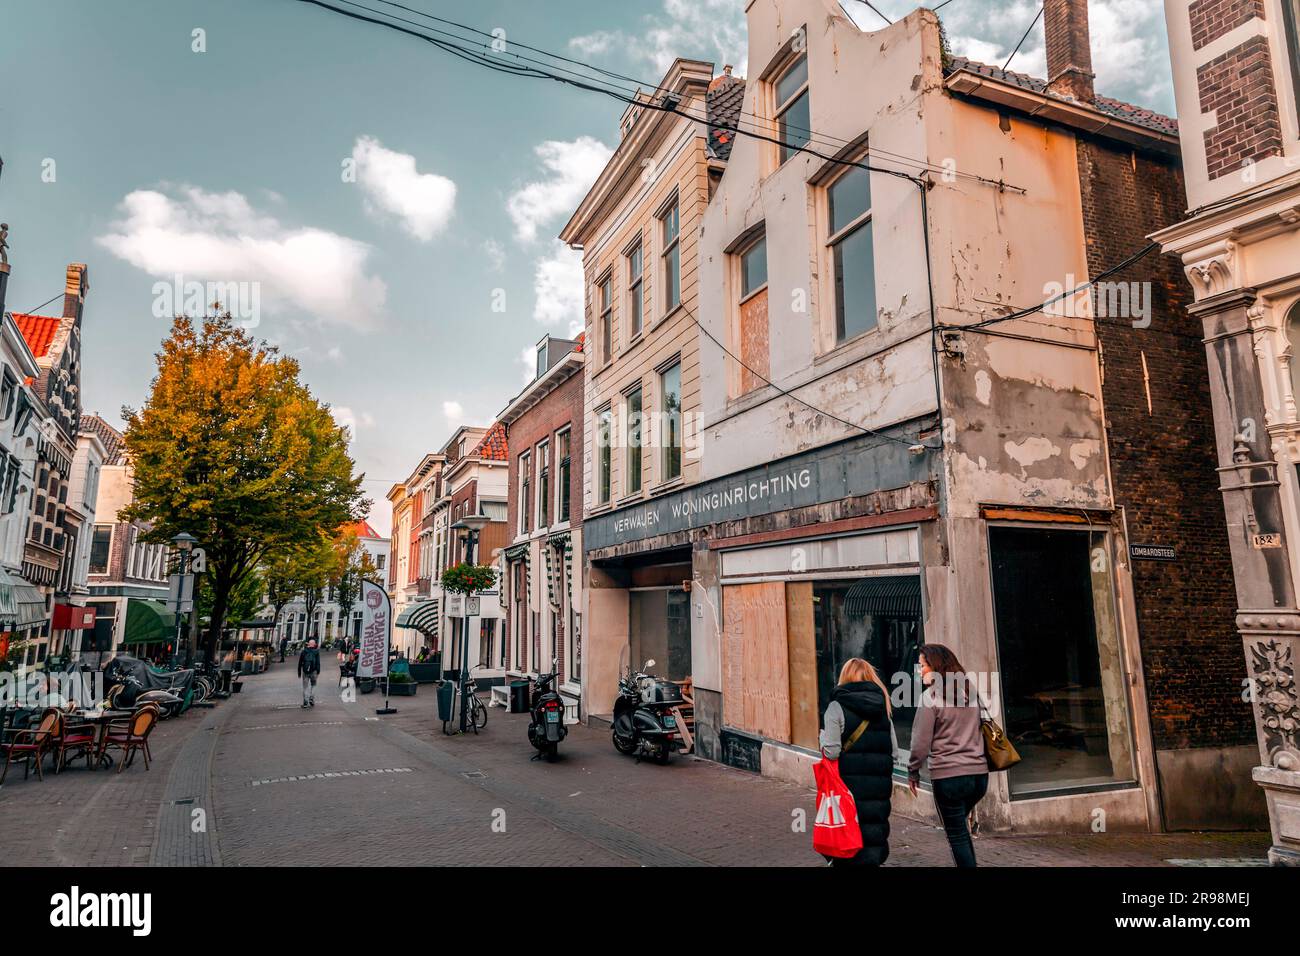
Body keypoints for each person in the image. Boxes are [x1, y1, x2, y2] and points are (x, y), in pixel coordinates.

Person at [908, 643, 989, 867]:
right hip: (979, 776)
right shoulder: (970, 693)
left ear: (936, 667)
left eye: (922, 665)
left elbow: (920, 743)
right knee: (961, 831)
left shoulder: (930, 698)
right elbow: (983, 726)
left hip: (949, 776)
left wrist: (913, 770)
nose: (920, 671)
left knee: (956, 835)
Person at [819, 657, 896, 866]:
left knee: (849, 838)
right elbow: (894, 752)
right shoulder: (883, 706)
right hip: (879, 789)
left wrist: (822, 738)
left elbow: (832, 752)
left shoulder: (836, 707)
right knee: (873, 838)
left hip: (848, 787)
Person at [298, 639, 321, 708]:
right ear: (314, 644)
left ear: (308, 644)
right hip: (314, 671)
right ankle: (311, 698)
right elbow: (318, 662)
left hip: (305, 672)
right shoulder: (316, 651)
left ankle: (305, 702)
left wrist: (299, 671)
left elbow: (300, 662)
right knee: (313, 685)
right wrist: (318, 671)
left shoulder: (304, 651)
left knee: (305, 687)